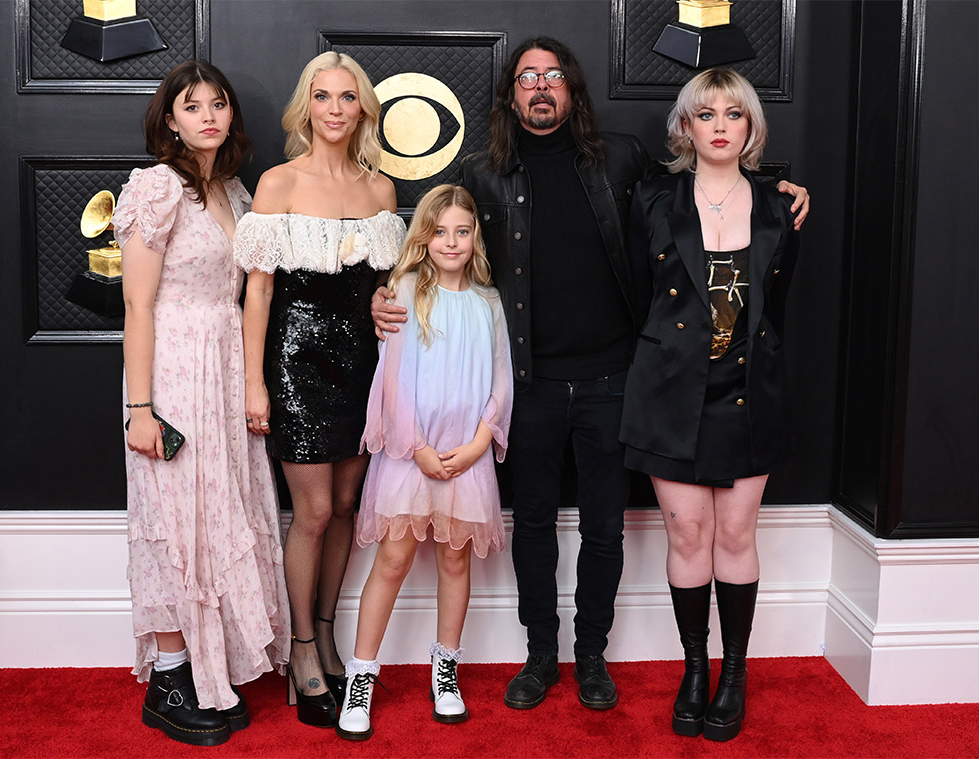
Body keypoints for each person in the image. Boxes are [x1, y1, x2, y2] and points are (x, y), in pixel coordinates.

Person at [373, 37, 810, 712]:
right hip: (529, 381)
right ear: (511, 93)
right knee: (536, 524)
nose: (540, 87)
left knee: (606, 525)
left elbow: (705, 200)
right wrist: (386, 292)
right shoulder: (482, 173)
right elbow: (435, 239)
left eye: (552, 75)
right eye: (527, 78)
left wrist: (777, 189)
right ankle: (540, 655)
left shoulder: (622, 160)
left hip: (616, 376)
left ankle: (591, 655)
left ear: (572, 88)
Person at [620, 68, 801, 742]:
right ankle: (694, 668)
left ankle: (734, 673)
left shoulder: (782, 206)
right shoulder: (651, 200)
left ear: (751, 128)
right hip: (668, 389)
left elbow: (775, 310)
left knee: (735, 535)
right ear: (684, 126)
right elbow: (639, 293)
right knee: (688, 534)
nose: (720, 124)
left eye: (734, 113)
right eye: (706, 113)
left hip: (750, 392)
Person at [117, 61, 289, 747]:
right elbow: (136, 303)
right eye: (193, 106)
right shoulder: (156, 188)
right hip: (172, 368)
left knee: (219, 510)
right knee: (172, 515)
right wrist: (140, 407)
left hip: (223, 365)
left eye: (218, 104)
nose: (208, 116)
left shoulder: (237, 193)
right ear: (170, 120)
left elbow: (253, 293)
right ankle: (168, 675)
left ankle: (204, 667)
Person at [232, 52, 405, 728]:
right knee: (309, 513)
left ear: (363, 107)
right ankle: (301, 647)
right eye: (323, 96)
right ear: (307, 107)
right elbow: (258, 295)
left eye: (347, 97)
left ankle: (329, 631)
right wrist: (256, 385)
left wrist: (388, 299)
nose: (335, 108)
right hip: (295, 362)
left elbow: (382, 287)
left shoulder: (381, 189)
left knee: (343, 505)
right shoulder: (276, 183)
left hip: (364, 365)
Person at [336, 184, 513, 741]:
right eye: (440, 232)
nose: (452, 242)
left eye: (463, 232)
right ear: (425, 237)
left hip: (466, 458)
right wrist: (416, 448)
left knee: (455, 564)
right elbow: (393, 382)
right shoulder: (406, 292)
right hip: (412, 458)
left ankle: (446, 670)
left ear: (475, 236)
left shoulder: (489, 302)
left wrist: (482, 441)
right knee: (392, 561)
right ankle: (361, 677)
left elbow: (501, 381)